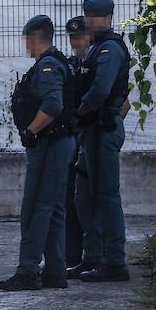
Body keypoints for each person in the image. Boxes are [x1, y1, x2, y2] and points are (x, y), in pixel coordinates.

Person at [0, 14, 77, 291]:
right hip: (58, 143)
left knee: (36, 208)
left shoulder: (48, 67)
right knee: (53, 208)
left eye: (27, 39)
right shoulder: (55, 62)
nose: (26, 45)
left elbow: (53, 105)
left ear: (33, 38)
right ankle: (55, 272)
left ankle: (28, 271)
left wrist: (31, 131)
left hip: (49, 144)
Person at [73, 0, 133, 283]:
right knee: (85, 197)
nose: (90, 20)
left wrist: (77, 114)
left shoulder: (109, 49)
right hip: (92, 131)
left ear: (109, 18)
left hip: (102, 130)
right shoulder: (96, 49)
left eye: (96, 16)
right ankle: (92, 257)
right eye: (88, 15)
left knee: (106, 197)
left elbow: (100, 92)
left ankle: (115, 262)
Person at [63, 16, 90, 269]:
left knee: (88, 200)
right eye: (72, 37)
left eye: (79, 36)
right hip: (72, 140)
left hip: (89, 140)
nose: (75, 42)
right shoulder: (71, 65)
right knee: (69, 199)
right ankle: (72, 255)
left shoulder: (99, 63)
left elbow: (123, 104)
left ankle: (90, 255)